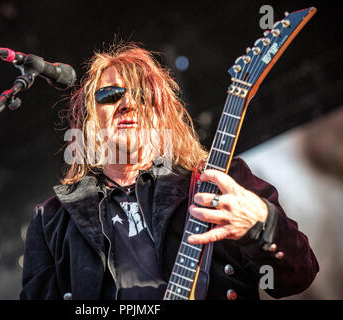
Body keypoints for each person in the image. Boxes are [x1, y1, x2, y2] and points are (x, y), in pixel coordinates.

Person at [20, 43, 319, 300]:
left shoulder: (220, 182)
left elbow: (298, 276)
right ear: (91, 119)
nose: (127, 104)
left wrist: (261, 226)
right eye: (110, 94)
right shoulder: (52, 220)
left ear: (161, 111)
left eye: (142, 95)